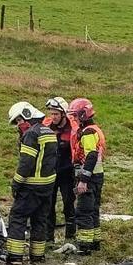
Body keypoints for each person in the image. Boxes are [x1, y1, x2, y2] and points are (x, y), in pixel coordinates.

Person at [5, 101, 58, 265]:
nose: (19, 125)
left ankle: (15, 257)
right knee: (39, 220)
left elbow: (26, 163)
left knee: (17, 218)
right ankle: (37, 257)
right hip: (47, 186)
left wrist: (16, 183)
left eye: (19, 121)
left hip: (30, 186)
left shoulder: (31, 134)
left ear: (27, 115)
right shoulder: (48, 131)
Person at [68, 98, 106, 254]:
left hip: (88, 177)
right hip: (98, 175)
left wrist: (83, 180)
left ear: (83, 115)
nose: (74, 119)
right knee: (94, 210)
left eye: (75, 116)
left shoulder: (88, 132)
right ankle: (95, 243)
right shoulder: (95, 128)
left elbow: (90, 155)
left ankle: (85, 247)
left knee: (84, 212)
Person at [42, 97, 76, 243]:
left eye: (56, 114)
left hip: (67, 172)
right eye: (51, 114)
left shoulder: (73, 128)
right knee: (49, 204)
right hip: (50, 171)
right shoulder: (46, 126)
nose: (53, 117)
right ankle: (48, 236)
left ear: (63, 113)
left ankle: (70, 235)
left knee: (69, 203)